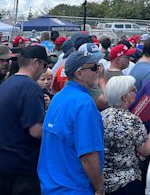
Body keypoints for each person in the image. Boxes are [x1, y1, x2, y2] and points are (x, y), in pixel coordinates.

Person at [38, 47, 105, 194]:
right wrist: (99, 188)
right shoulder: (83, 103)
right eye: (94, 67)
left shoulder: (58, 97)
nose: (99, 71)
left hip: (52, 186)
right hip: (74, 187)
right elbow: (88, 154)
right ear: (79, 73)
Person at [102, 76, 150, 194]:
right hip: (127, 182)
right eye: (132, 90)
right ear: (124, 97)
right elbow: (146, 150)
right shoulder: (131, 120)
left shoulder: (101, 116)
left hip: (104, 182)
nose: (136, 92)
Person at [0, 45, 49, 195]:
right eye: (45, 65)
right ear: (36, 62)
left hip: (4, 162)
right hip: (22, 166)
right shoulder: (30, 88)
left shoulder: (6, 84)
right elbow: (36, 131)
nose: (45, 70)